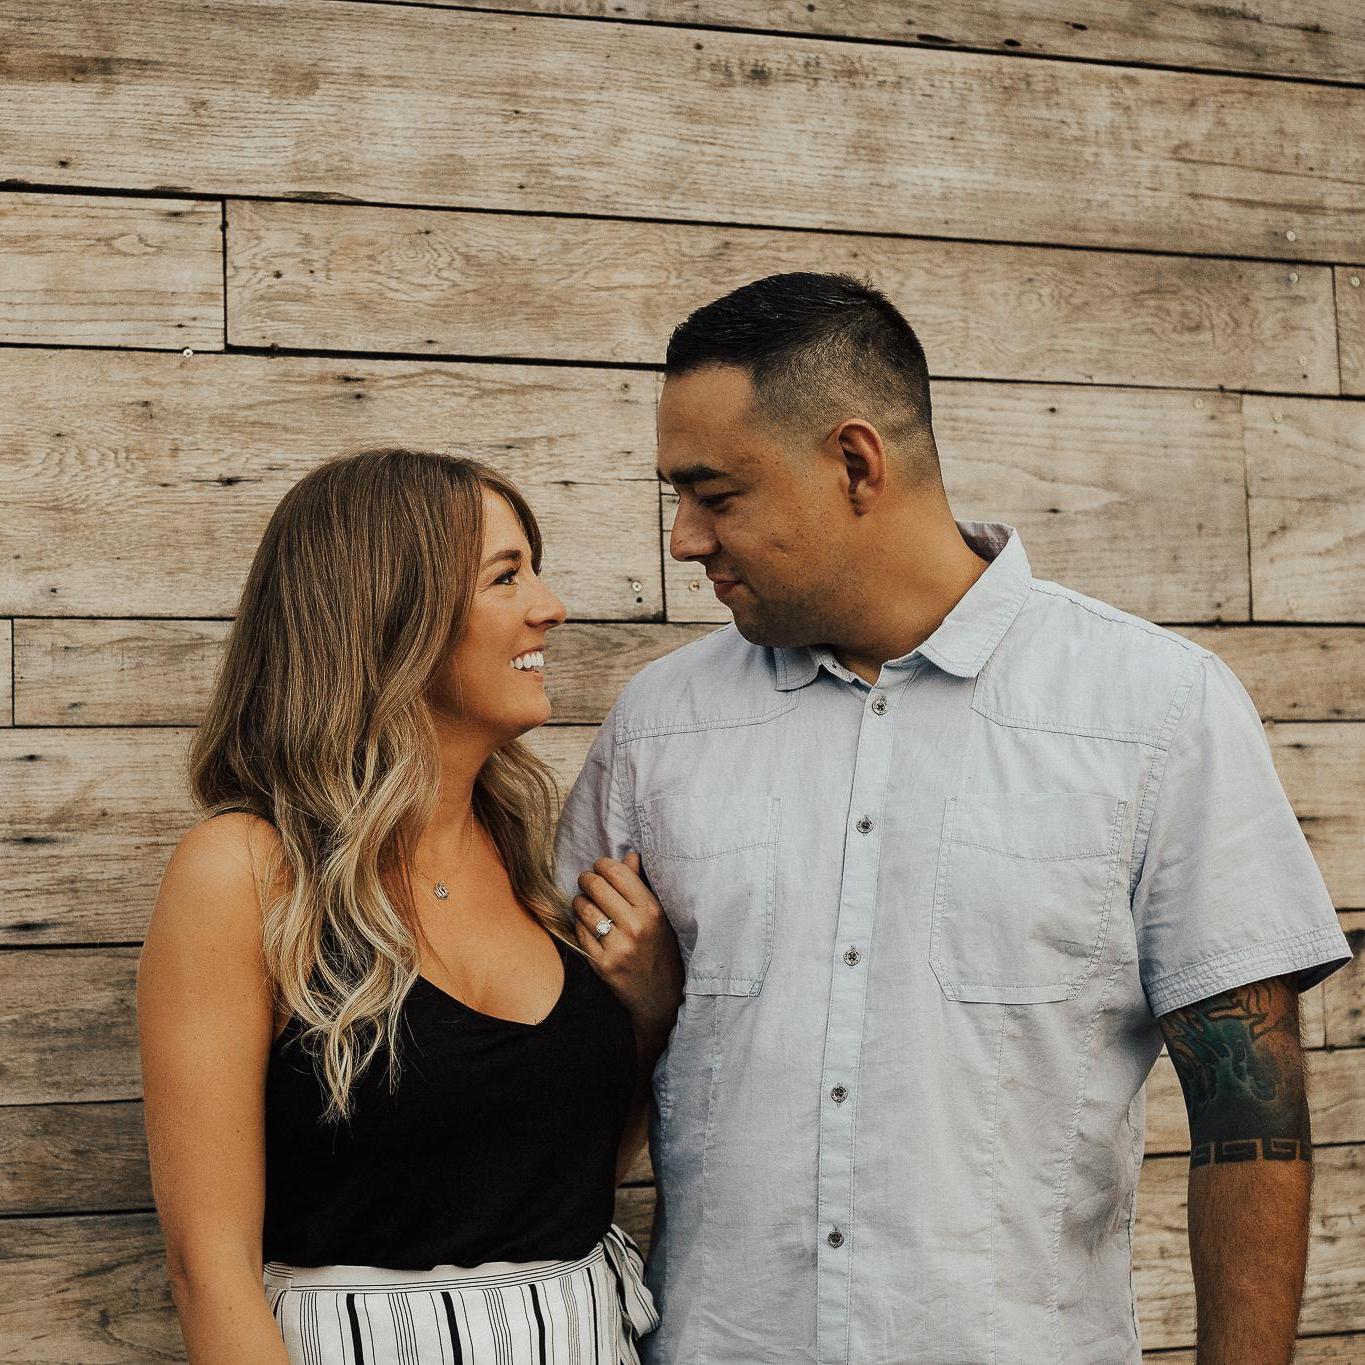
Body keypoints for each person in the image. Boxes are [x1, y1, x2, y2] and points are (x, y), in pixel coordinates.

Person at [553, 272, 1356, 1364]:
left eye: (715, 494)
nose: (685, 539)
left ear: (855, 464)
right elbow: (560, 1096)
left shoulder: (1154, 709)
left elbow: (1248, 1117)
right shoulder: (659, 727)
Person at [137, 447, 680, 1364]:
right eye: (506, 575)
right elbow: (208, 1266)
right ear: (394, 617)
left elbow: (558, 1171)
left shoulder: (528, 859)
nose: (550, 605)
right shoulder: (244, 872)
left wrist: (651, 1013)